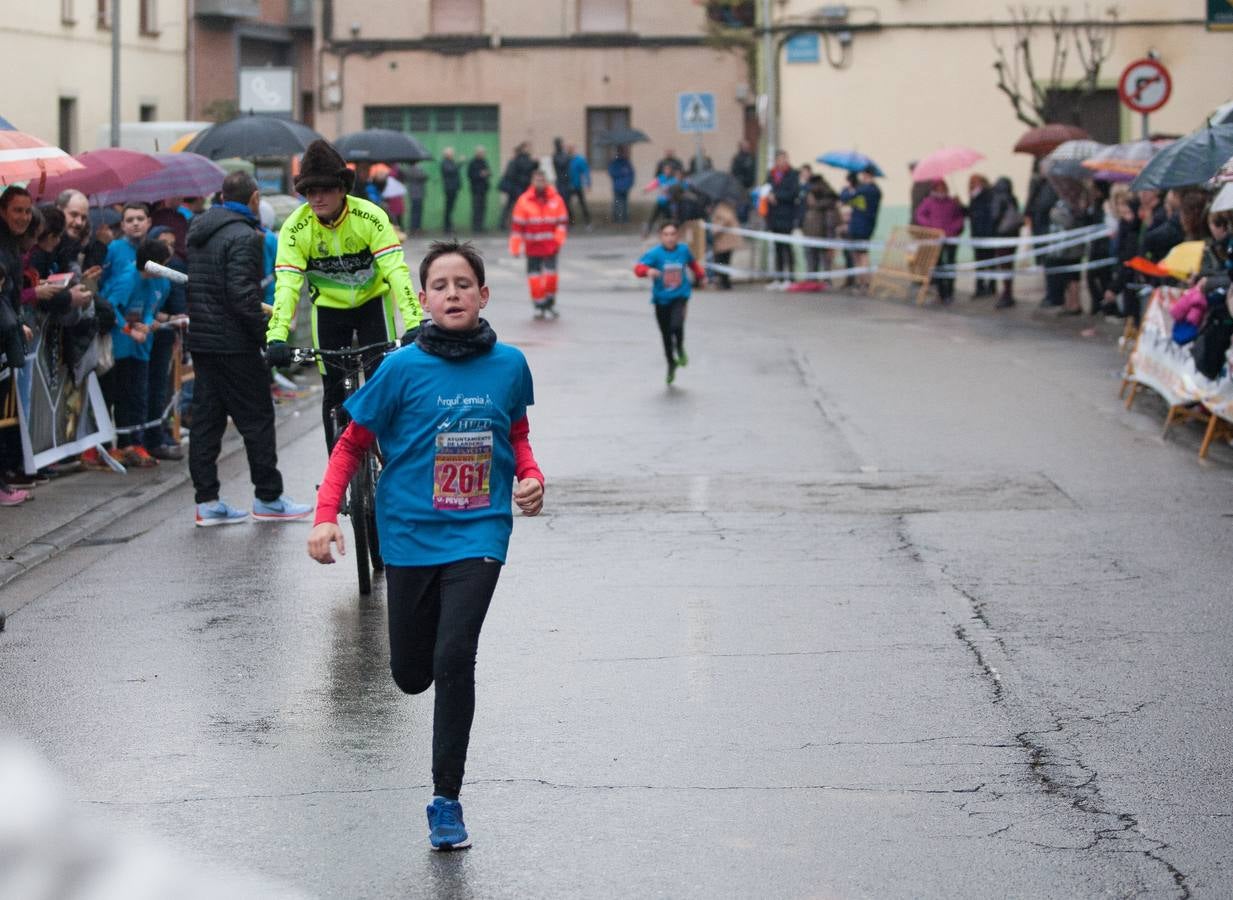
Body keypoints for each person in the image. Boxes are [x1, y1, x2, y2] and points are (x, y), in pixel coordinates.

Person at [307, 239, 544, 852]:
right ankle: (425, 664)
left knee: (454, 656)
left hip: (480, 531)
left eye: (464, 284)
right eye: (440, 286)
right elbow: (352, 444)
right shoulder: (400, 369)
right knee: (412, 674)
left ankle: (447, 800)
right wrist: (325, 515)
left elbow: (516, 431)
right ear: (423, 298)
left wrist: (530, 474)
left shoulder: (510, 364)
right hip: (410, 537)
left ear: (483, 294)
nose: (453, 294)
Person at [265, 139, 422, 451]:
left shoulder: (370, 217)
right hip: (329, 311)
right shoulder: (296, 229)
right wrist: (277, 337)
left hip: (372, 305)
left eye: (324, 189)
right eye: (310, 191)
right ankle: (338, 475)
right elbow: (287, 285)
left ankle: (392, 466)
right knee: (333, 394)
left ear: (342, 189)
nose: (317, 197)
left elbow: (395, 271)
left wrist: (414, 322)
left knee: (383, 388)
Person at [187, 172, 311, 525]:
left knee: (207, 421)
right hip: (235, 343)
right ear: (255, 198)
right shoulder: (245, 236)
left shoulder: (199, 231)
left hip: (203, 340)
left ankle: (207, 500)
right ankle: (268, 497)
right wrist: (269, 338)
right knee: (257, 418)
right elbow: (244, 297)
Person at [634, 221, 705, 385]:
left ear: (677, 236)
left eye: (673, 234)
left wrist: (702, 276)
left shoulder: (683, 250)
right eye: (666, 235)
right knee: (666, 334)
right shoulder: (655, 254)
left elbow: (693, 264)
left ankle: (679, 348)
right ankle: (671, 364)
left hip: (680, 296)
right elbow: (638, 268)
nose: (670, 238)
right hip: (661, 299)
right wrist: (648, 271)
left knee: (676, 325)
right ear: (661, 237)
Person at [143, 226, 187, 460]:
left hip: (164, 337)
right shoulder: (144, 274)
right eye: (162, 243)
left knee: (161, 388)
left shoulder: (169, 276)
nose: (167, 248)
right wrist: (163, 318)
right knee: (144, 389)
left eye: (171, 243)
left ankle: (158, 433)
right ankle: (144, 438)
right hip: (143, 338)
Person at [508, 169, 568, 319]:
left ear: (546, 181)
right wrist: (515, 247)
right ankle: (539, 305)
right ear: (532, 182)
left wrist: (558, 241)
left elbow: (562, 223)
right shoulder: (524, 201)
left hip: (550, 246)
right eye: (537, 180)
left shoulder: (556, 200)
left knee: (551, 277)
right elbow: (517, 227)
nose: (540, 183)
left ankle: (550, 304)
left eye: (542, 180)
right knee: (534, 277)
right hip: (533, 247)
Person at [913, 180, 966, 304]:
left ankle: (950, 292)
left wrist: (954, 228)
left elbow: (959, 218)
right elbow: (919, 215)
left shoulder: (952, 202)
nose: (941, 190)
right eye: (938, 188)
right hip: (935, 238)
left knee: (951, 264)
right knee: (938, 264)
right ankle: (942, 292)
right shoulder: (928, 202)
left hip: (951, 237)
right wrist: (931, 226)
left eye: (943, 187)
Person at [841, 166, 882, 291]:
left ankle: (865, 282)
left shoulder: (867, 190)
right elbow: (847, 200)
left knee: (862, 254)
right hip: (860, 224)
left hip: (862, 226)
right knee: (858, 254)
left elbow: (846, 197)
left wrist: (848, 187)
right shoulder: (873, 190)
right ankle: (862, 281)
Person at [764, 151, 800, 288]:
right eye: (779, 159)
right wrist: (767, 196)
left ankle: (790, 277)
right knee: (777, 248)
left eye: (784, 159)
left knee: (787, 247)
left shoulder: (792, 174)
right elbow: (766, 188)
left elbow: (793, 193)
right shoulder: (772, 174)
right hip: (774, 216)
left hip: (787, 216)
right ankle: (778, 278)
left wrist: (776, 197)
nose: (782, 162)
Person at [988, 176, 1022, 309]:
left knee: (1004, 265)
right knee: (1009, 265)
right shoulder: (1013, 198)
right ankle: (1008, 292)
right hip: (1013, 235)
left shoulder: (998, 198)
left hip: (1002, 235)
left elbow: (995, 216)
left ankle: (1007, 294)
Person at [800, 172, 840, 280]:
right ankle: (815, 279)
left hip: (821, 234)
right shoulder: (822, 200)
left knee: (820, 257)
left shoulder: (822, 203)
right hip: (815, 233)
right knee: (816, 257)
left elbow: (831, 221)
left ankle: (819, 279)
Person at [967, 175, 997, 298]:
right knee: (979, 262)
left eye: (975, 182)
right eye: (971, 182)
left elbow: (985, 213)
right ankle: (980, 286)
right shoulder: (974, 196)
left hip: (987, 233)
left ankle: (991, 286)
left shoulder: (988, 195)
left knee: (990, 261)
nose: (973, 184)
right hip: (977, 234)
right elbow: (971, 213)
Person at [499, 143, 536, 229]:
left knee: (510, 205)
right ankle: (506, 224)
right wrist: (534, 163)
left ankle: (503, 223)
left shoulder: (519, 159)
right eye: (527, 148)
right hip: (518, 187)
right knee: (516, 205)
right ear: (523, 149)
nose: (529, 150)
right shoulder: (521, 159)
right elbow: (526, 168)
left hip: (518, 187)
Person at [709, 199, 741, 289]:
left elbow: (726, 219)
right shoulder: (726, 207)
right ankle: (724, 282)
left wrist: (715, 229)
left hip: (724, 240)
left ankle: (724, 282)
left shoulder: (722, 208)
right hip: (724, 240)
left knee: (722, 262)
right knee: (724, 262)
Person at [566, 143, 592, 229]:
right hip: (568, 186)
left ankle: (587, 222)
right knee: (567, 204)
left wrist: (587, 184)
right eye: (568, 148)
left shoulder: (579, 160)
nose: (569, 150)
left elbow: (585, 172)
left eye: (571, 148)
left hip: (577, 185)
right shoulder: (566, 159)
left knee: (582, 204)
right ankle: (571, 222)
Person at [466, 146, 491, 233]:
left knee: (483, 208)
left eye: (483, 153)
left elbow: (489, 172)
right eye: (481, 153)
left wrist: (487, 173)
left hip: (484, 189)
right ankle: (475, 227)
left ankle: (481, 226)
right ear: (477, 153)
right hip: (476, 189)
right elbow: (470, 175)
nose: (482, 154)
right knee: (476, 208)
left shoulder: (484, 162)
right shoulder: (472, 163)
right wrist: (480, 174)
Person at [607, 146, 634, 224]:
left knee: (625, 204)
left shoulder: (627, 162)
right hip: (617, 186)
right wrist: (621, 172)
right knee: (617, 203)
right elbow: (612, 173)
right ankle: (616, 219)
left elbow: (632, 174)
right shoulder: (614, 162)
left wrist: (630, 183)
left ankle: (624, 219)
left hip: (626, 186)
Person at [440, 147, 461, 234]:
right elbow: (451, 171)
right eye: (451, 153)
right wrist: (460, 163)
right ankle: (447, 227)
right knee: (448, 207)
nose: (453, 154)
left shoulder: (450, 162)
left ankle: (449, 225)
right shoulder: (445, 163)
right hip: (449, 188)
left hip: (453, 187)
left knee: (451, 207)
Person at [404, 164, 427, 234]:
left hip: (417, 193)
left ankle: (417, 227)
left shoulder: (412, 169)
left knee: (418, 211)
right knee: (415, 212)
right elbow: (423, 177)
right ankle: (414, 228)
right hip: (416, 194)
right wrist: (422, 172)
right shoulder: (412, 170)